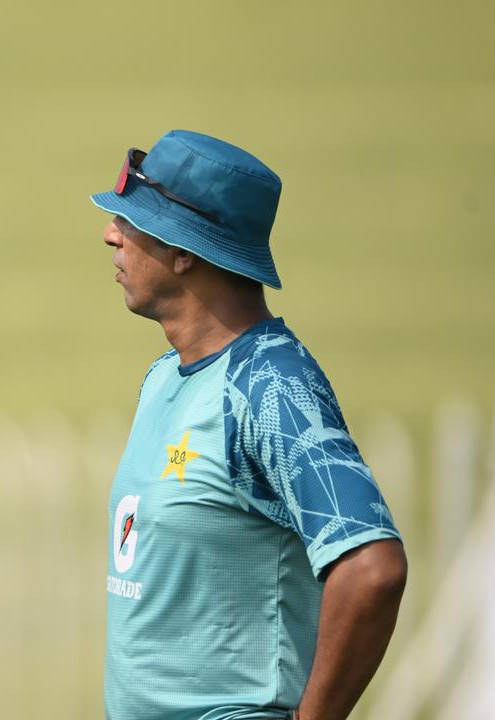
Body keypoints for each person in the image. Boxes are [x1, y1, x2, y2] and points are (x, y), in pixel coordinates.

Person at [91, 130, 407, 720]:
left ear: (183, 251)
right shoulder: (164, 376)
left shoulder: (271, 386)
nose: (111, 234)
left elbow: (372, 569)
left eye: (131, 223)